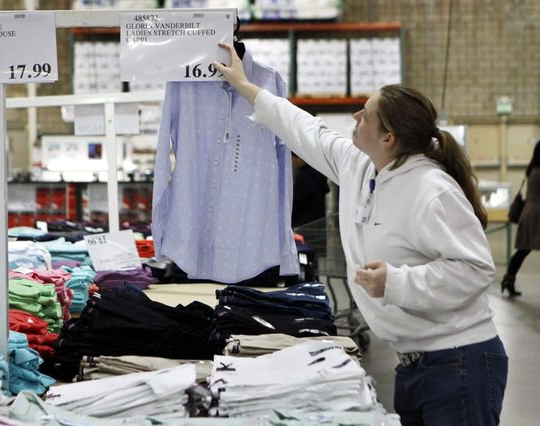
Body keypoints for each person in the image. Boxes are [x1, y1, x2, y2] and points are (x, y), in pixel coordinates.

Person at [214, 43, 508, 425]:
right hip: (414, 363)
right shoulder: (360, 166)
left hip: (459, 362)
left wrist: (396, 282)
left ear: (389, 138)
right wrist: (245, 84)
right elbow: (305, 129)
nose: (356, 115)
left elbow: (475, 269)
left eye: (366, 114)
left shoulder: (431, 190)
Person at [501, 139, 540, 296]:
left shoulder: (531, 170)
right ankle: (508, 281)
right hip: (537, 214)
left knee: (523, 250)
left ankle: (508, 280)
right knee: (523, 250)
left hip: (529, 212)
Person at [291, 152, 330, 227]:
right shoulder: (318, 174)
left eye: (295, 158)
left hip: (303, 224)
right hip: (318, 222)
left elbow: (296, 201)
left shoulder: (304, 178)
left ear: (302, 158)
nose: (293, 161)